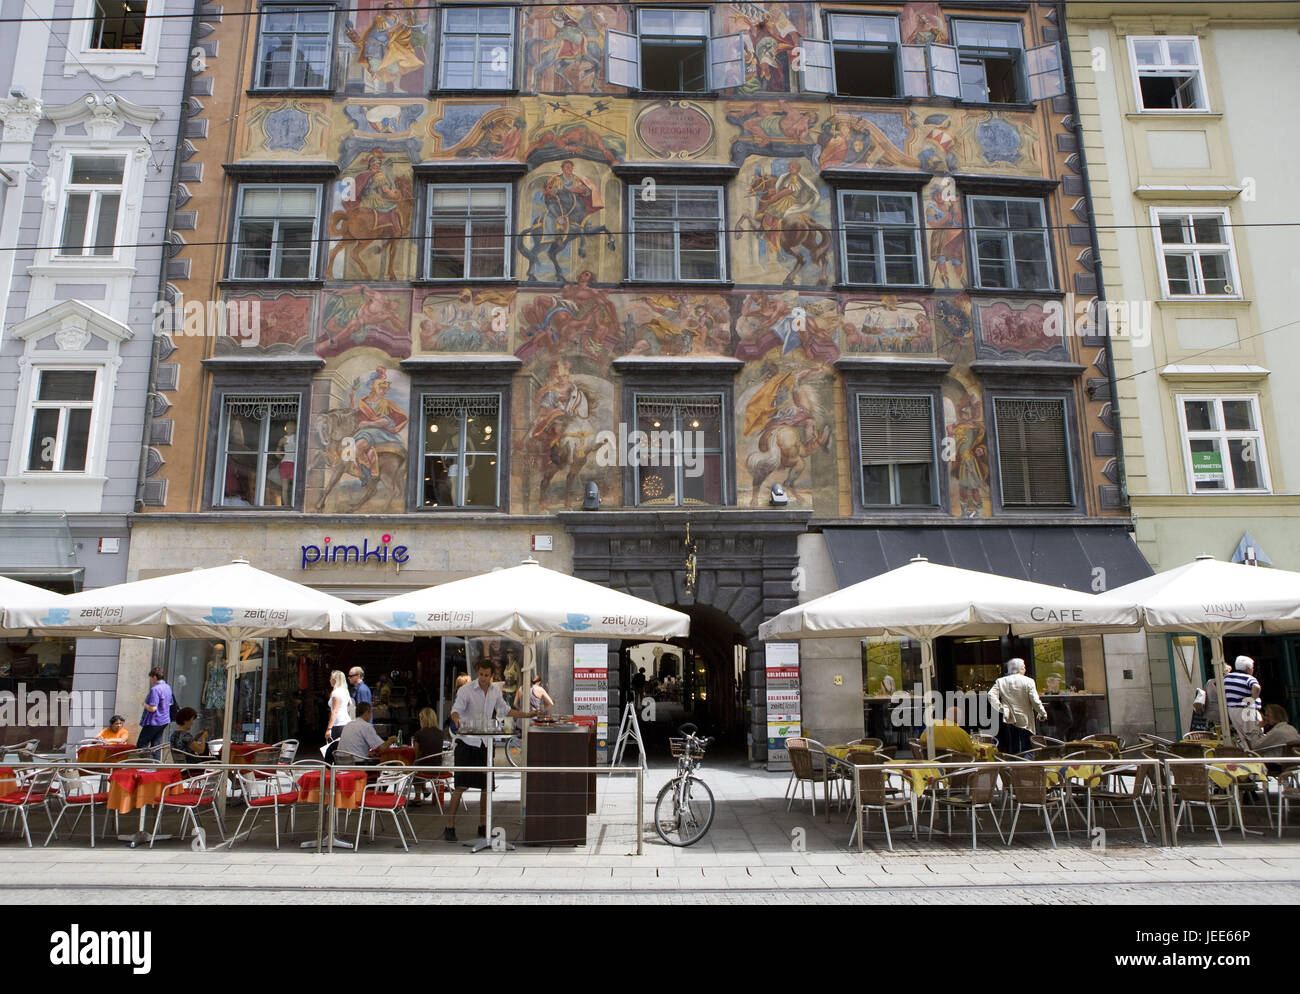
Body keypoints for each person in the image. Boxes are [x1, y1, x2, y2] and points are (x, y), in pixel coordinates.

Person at [444, 660, 538, 842]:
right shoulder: (466, 690)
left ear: (492, 676)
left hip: (485, 744)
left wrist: (526, 715)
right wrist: (455, 719)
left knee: (486, 787)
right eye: (481, 675)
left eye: (487, 675)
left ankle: (483, 825)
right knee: (460, 786)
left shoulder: (495, 691)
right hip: (466, 742)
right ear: (477, 673)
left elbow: (504, 710)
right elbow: (456, 710)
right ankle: (449, 826)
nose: (484, 679)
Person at [987, 658, 1047, 755]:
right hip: (1025, 719)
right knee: (1027, 747)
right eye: (1024, 667)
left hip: (1009, 717)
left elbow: (991, 695)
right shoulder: (1029, 681)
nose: (1025, 669)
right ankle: (1025, 766)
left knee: (1012, 746)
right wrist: (1042, 712)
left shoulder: (1001, 681)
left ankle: (1014, 765)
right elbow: (1035, 700)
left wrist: (1000, 708)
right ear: (1020, 668)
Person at [411, 707, 447, 807]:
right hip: (437, 767)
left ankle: (417, 796)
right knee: (422, 763)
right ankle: (424, 789)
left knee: (416, 764)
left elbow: (416, 753)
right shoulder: (440, 733)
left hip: (423, 768)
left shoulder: (419, 734)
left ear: (423, 719)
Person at [138, 667, 173, 759]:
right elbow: (170, 703)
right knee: (156, 745)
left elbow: (153, 708)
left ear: (154, 677)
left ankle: (149, 764)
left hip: (154, 721)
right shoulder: (167, 687)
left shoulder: (155, 689)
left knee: (141, 744)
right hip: (164, 720)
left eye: (150, 678)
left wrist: (144, 705)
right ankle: (157, 766)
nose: (150, 680)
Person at [169, 708, 210, 773]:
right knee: (213, 756)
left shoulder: (174, 734)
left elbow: (185, 746)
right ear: (186, 721)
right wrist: (203, 738)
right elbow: (200, 750)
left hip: (181, 766)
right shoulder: (186, 735)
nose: (192, 723)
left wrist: (196, 737)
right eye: (192, 720)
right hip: (192, 767)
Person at [326, 670, 353, 742]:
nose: (330, 680)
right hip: (346, 722)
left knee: (334, 750)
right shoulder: (345, 691)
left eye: (331, 678)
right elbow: (349, 705)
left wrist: (329, 728)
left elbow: (334, 711)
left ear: (335, 680)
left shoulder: (336, 692)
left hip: (338, 724)